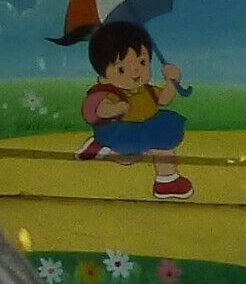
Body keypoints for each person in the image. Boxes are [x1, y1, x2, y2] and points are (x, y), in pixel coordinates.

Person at [77, 19, 193, 198]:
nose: (136, 71)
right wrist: (116, 108)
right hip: (123, 130)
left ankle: (167, 180)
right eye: (122, 69)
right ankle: (102, 148)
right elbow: (98, 110)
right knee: (127, 158)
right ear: (103, 78)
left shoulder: (147, 90)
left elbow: (163, 100)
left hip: (149, 126)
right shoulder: (112, 92)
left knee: (162, 146)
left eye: (142, 62)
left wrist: (171, 81)